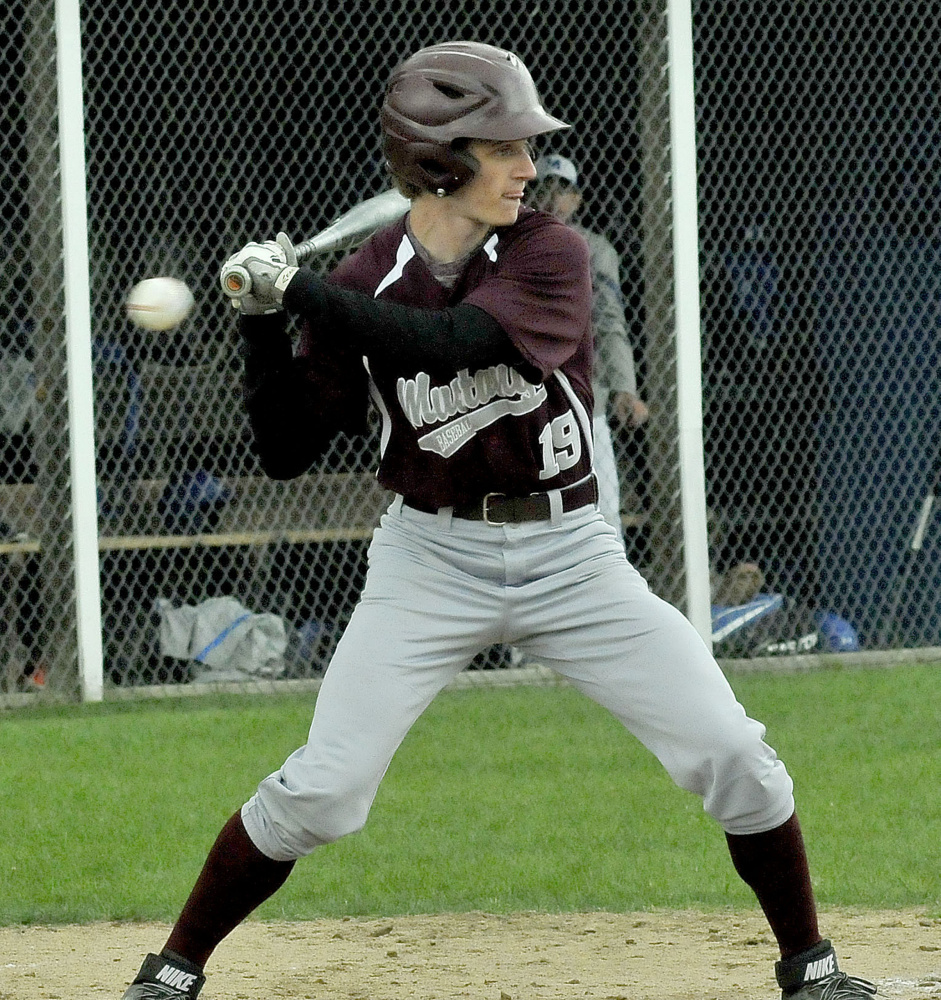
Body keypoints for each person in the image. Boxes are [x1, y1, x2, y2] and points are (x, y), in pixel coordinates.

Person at [119, 41, 876, 1000]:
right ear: (441, 160)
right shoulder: (359, 281)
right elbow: (284, 448)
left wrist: (301, 291)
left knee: (732, 753)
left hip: (574, 556)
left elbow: (449, 342)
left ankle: (809, 968)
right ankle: (173, 970)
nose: (531, 169)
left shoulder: (548, 254)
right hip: (427, 561)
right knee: (326, 788)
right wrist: (263, 321)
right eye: (506, 148)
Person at [527, 152, 648, 536]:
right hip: (525, 399)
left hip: (584, 398)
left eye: (562, 190)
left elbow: (609, 321)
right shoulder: (505, 246)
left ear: (576, 200)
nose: (551, 198)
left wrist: (624, 387)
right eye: (542, 188)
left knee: (603, 512)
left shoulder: (594, 250)